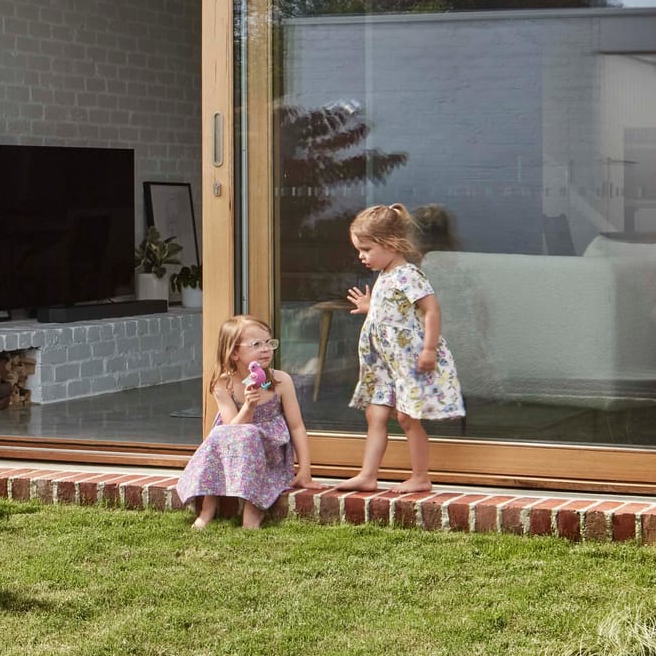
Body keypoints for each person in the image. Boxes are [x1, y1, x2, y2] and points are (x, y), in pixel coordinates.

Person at [338, 201, 464, 496]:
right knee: (375, 414)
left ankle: (421, 476)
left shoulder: (408, 274)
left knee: (408, 418)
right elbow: (394, 313)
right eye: (359, 250)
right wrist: (371, 307)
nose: (361, 256)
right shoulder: (385, 275)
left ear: (390, 244)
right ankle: (368, 475)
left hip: (410, 362)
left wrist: (429, 350)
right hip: (386, 365)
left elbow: (431, 310)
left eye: (366, 249)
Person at [174, 313, 314, 530]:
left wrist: (304, 469)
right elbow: (233, 428)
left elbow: (297, 426)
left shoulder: (280, 381)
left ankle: (254, 509)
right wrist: (249, 406)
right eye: (256, 344)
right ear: (234, 353)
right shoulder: (223, 385)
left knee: (245, 434)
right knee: (221, 434)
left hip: (270, 453)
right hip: (232, 448)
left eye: (269, 342)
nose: (266, 348)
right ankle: (207, 509)